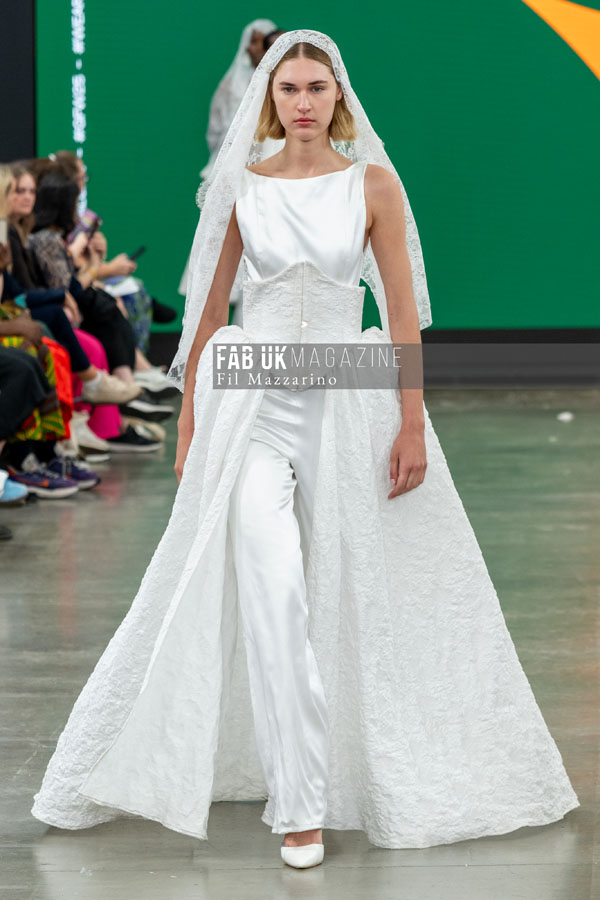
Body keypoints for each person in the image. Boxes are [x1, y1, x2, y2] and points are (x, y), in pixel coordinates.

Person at [31, 30, 579, 871]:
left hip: (349, 399)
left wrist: (410, 422)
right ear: (268, 98)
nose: (302, 102)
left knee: (355, 587)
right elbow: (209, 312)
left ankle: (351, 768)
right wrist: (191, 422)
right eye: (287, 88)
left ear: (338, 97)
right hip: (252, 404)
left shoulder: (374, 185)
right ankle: (299, 806)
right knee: (274, 590)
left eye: (316, 88)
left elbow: (401, 314)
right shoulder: (240, 189)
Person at [177, 18, 285, 325]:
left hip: (277, 189)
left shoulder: (290, 93)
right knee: (229, 269)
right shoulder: (232, 87)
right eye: (255, 41)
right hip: (239, 185)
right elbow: (217, 135)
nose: (256, 49)